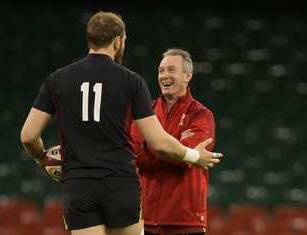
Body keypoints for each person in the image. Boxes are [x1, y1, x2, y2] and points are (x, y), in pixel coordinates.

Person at [20, 11, 223, 235]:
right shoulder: (131, 81)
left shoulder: (56, 79)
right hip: (120, 183)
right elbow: (158, 143)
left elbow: (28, 136)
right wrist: (194, 155)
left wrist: (42, 158)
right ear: (117, 40)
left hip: (78, 184)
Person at [130, 48, 216, 235]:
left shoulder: (201, 115)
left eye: (171, 70)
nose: (164, 76)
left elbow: (186, 158)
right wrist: (178, 144)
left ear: (187, 75)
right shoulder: (146, 111)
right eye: (161, 71)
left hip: (186, 222)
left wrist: (151, 143)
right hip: (148, 221)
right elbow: (136, 157)